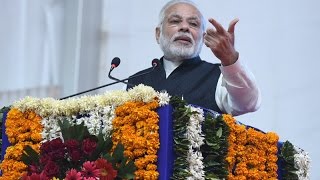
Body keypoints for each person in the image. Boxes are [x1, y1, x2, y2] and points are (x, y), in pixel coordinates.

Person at [127, 0, 261, 116]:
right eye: (175, 21)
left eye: (193, 24)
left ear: (203, 38)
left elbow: (248, 103)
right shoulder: (134, 82)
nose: (185, 27)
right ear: (158, 34)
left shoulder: (218, 77)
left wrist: (230, 60)